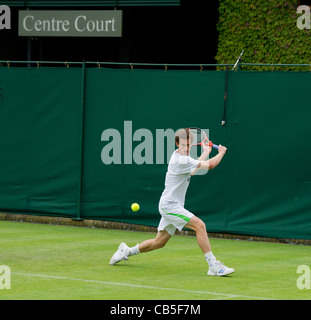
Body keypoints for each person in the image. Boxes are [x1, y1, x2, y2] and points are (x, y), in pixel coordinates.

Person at [109, 128, 234, 276]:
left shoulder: (183, 159)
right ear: (177, 144)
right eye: (183, 145)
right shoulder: (181, 160)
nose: (186, 148)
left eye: (188, 145)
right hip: (170, 205)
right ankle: (213, 266)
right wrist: (221, 152)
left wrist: (206, 152)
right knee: (200, 225)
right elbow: (211, 165)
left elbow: (193, 170)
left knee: (159, 243)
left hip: (171, 205)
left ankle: (126, 251)